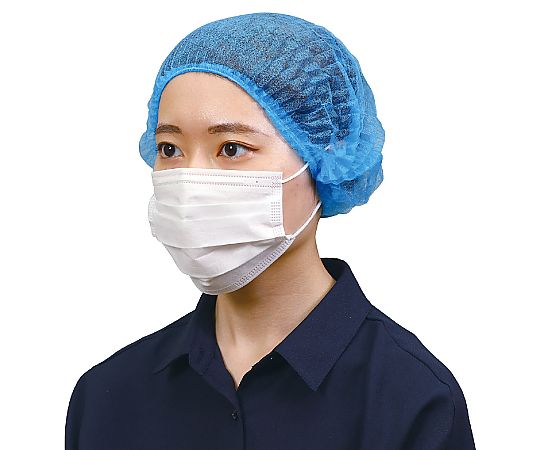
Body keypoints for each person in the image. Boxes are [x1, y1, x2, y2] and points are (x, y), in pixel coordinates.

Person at [65, 12, 476, 449]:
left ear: (325, 154)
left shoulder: (411, 400)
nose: (190, 180)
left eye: (231, 148)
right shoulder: (109, 395)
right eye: (170, 148)